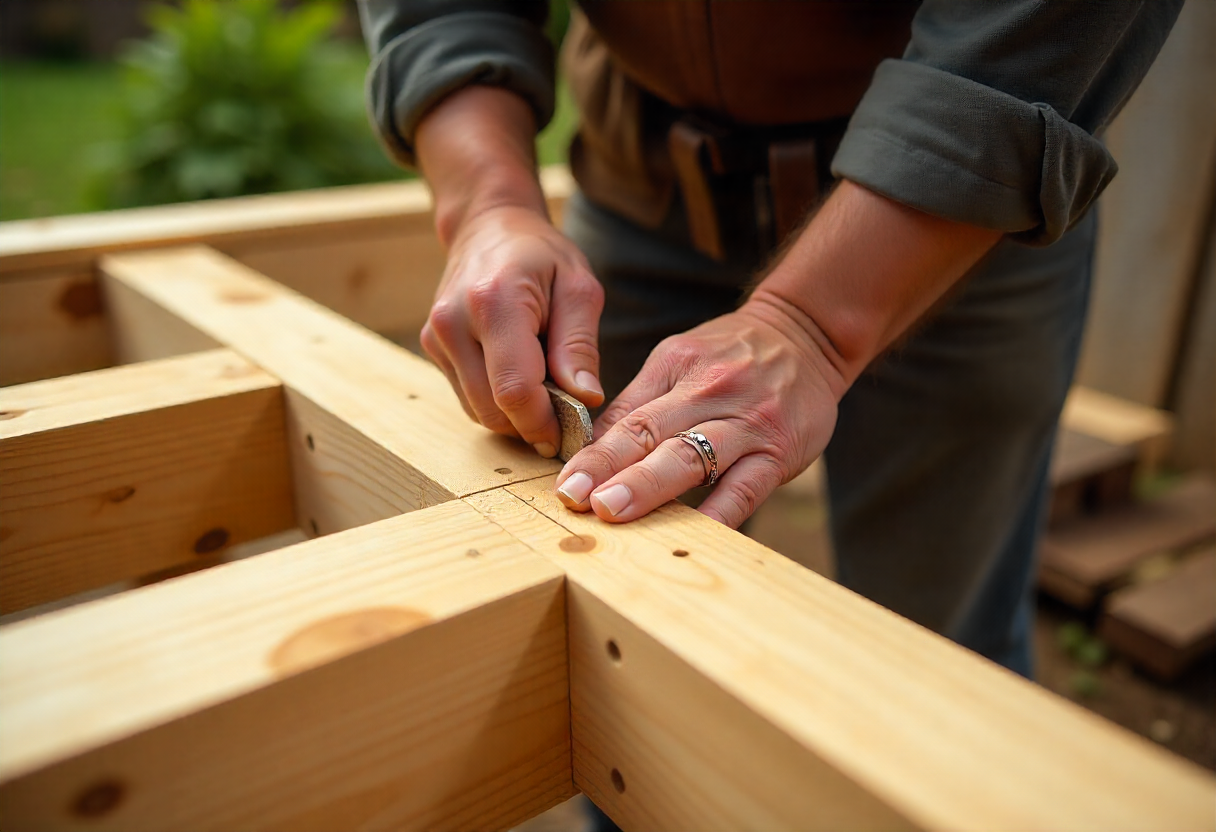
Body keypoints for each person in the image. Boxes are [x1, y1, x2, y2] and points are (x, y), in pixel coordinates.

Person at [358, 0, 1181, 678]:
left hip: (963, 204)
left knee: (936, 658)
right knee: (632, 649)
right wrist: (487, 203)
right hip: (641, 171)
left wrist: (811, 327)